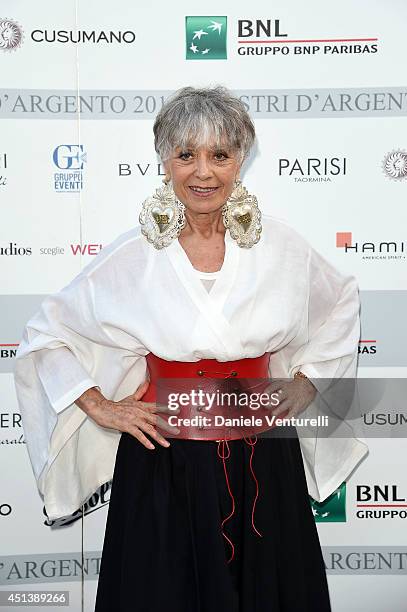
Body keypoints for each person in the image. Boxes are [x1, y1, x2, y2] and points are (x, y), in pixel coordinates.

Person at [14, 85, 368, 612]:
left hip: (261, 454)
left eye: (219, 155)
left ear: (240, 161)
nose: (203, 172)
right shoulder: (132, 256)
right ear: (165, 162)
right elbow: (48, 334)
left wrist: (307, 380)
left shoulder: (281, 246)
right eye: (187, 155)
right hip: (163, 455)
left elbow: (341, 301)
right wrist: (102, 405)